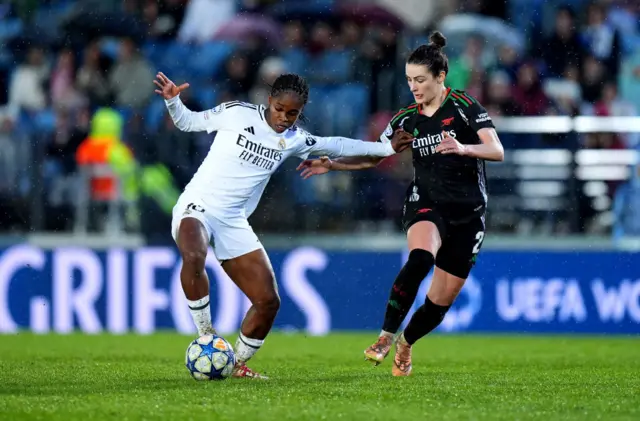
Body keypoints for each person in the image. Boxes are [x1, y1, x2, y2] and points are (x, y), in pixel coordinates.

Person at [153, 72, 413, 379]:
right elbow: (187, 121)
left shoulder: (294, 140)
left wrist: (384, 149)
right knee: (194, 256)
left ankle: (236, 363)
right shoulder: (236, 113)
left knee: (268, 301)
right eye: (279, 109)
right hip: (197, 205)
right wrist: (173, 100)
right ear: (269, 101)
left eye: (293, 113)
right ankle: (207, 336)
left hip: (233, 220)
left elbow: (336, 144)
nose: (284, 118)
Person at [297, 32, 504, 376]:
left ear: (440, 77)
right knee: (421, 257)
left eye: (421, 79)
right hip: (426, 202)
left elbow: (495, 150)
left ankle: (405, 344)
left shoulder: (466, 107)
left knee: (438, 305)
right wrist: (332, 164)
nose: (414, 87)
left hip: (468, 214)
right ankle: (384, 336)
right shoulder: (406, 118)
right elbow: (374, 155)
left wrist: (464, 148)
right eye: (409, 80)